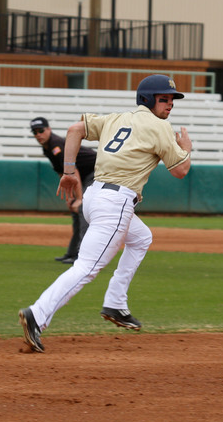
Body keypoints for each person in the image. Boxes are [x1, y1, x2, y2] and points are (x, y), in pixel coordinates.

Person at [19, 74, 193, 353]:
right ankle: (37, 315)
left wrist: (67, 172)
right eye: (164, 98)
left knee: (141, 238)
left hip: (94, 197)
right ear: (147, 100)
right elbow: (180, 171)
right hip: (116, 202)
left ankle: (116, 303)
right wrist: (186, 150)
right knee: (87, 267)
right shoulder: (161, 128)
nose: (170, 104)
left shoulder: (116, 118)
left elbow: (75, 129)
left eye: (172, 99)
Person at [30, 116, 96, 264]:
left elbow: (73, 171)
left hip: (96, 172)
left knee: (82, 209)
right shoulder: (47, 148)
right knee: (76, 212)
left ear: (49, 129)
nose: (38, 134)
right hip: (82, 176)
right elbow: (63, 173)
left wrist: (79, 198)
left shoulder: (56, 144)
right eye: (35, 132)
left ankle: (83, 255)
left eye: (41, 130)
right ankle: (72, 253)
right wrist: (70, 197)